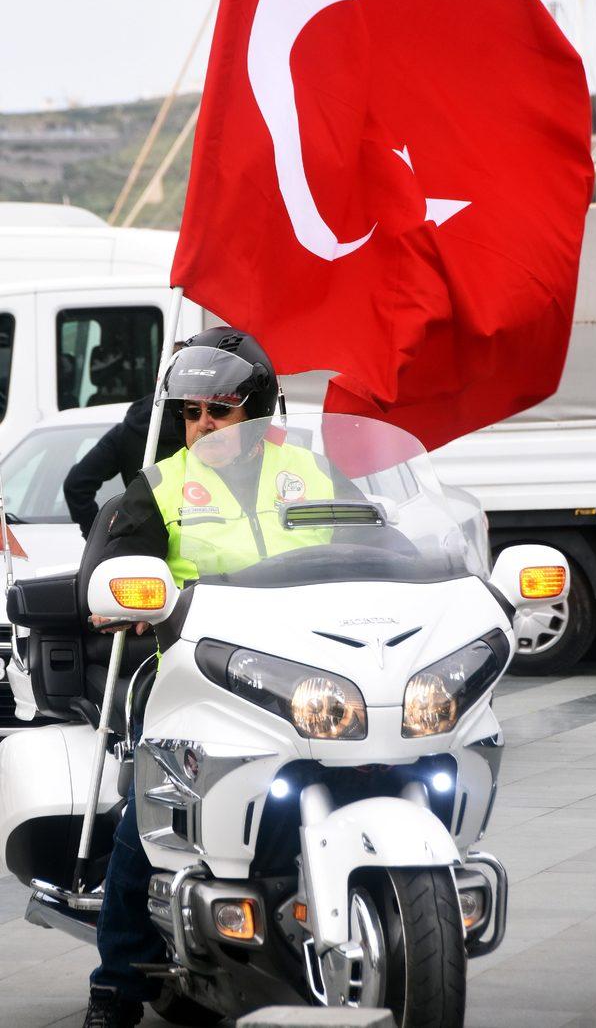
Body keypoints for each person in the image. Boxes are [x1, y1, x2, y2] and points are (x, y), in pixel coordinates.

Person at [82, 327, 344, 1028]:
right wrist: (125, 594)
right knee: (151, 808)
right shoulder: (165, 483)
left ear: (257, 412)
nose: (202, 426)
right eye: (192, 413)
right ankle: (114, 982)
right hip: (199, 676)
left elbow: (380, 534)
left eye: (218, 410)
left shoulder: (314, 470)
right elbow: (115, 558)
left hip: (313, 668)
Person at [63, 343, 186, 539]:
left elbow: (76, 484)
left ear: (158, 380)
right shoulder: (210, 430)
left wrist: (100, 538)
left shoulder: (129, 429)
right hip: (199, 544)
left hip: (142, 543)